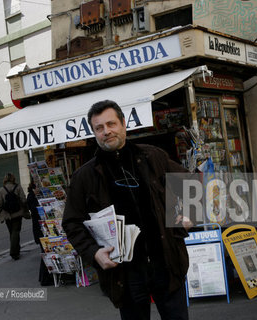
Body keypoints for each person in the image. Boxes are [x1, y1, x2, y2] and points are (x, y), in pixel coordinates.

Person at [63, 100, 190, 320]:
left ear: (123, 123)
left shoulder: (153, 156)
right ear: (94, 132)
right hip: (125, 275)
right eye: (99, 128)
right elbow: (71, 223)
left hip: (166, 263)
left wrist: (187, 214)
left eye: (111, 124)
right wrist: (93, 253)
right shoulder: (85, 177)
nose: (106, 132)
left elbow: (189, 185)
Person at [27, 182, 54, 285]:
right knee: (45, 252)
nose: (40, 189)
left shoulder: (34, 196)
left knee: (45, 251)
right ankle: (44, 279)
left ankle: (44, 277)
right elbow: (34, 211)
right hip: (39, 228)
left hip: (40, 227)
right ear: (34, 188)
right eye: (38, 187)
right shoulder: (31, 197)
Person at [0, 173, 27, 260]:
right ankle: (14, 252)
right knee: (16, 232)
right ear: (13, 178)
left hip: (7, 215)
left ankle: (16, 249)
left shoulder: (1, 190)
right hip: (18, 214)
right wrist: (24, 208)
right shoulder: (18, 187)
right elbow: (24, 200)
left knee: (12, 232)